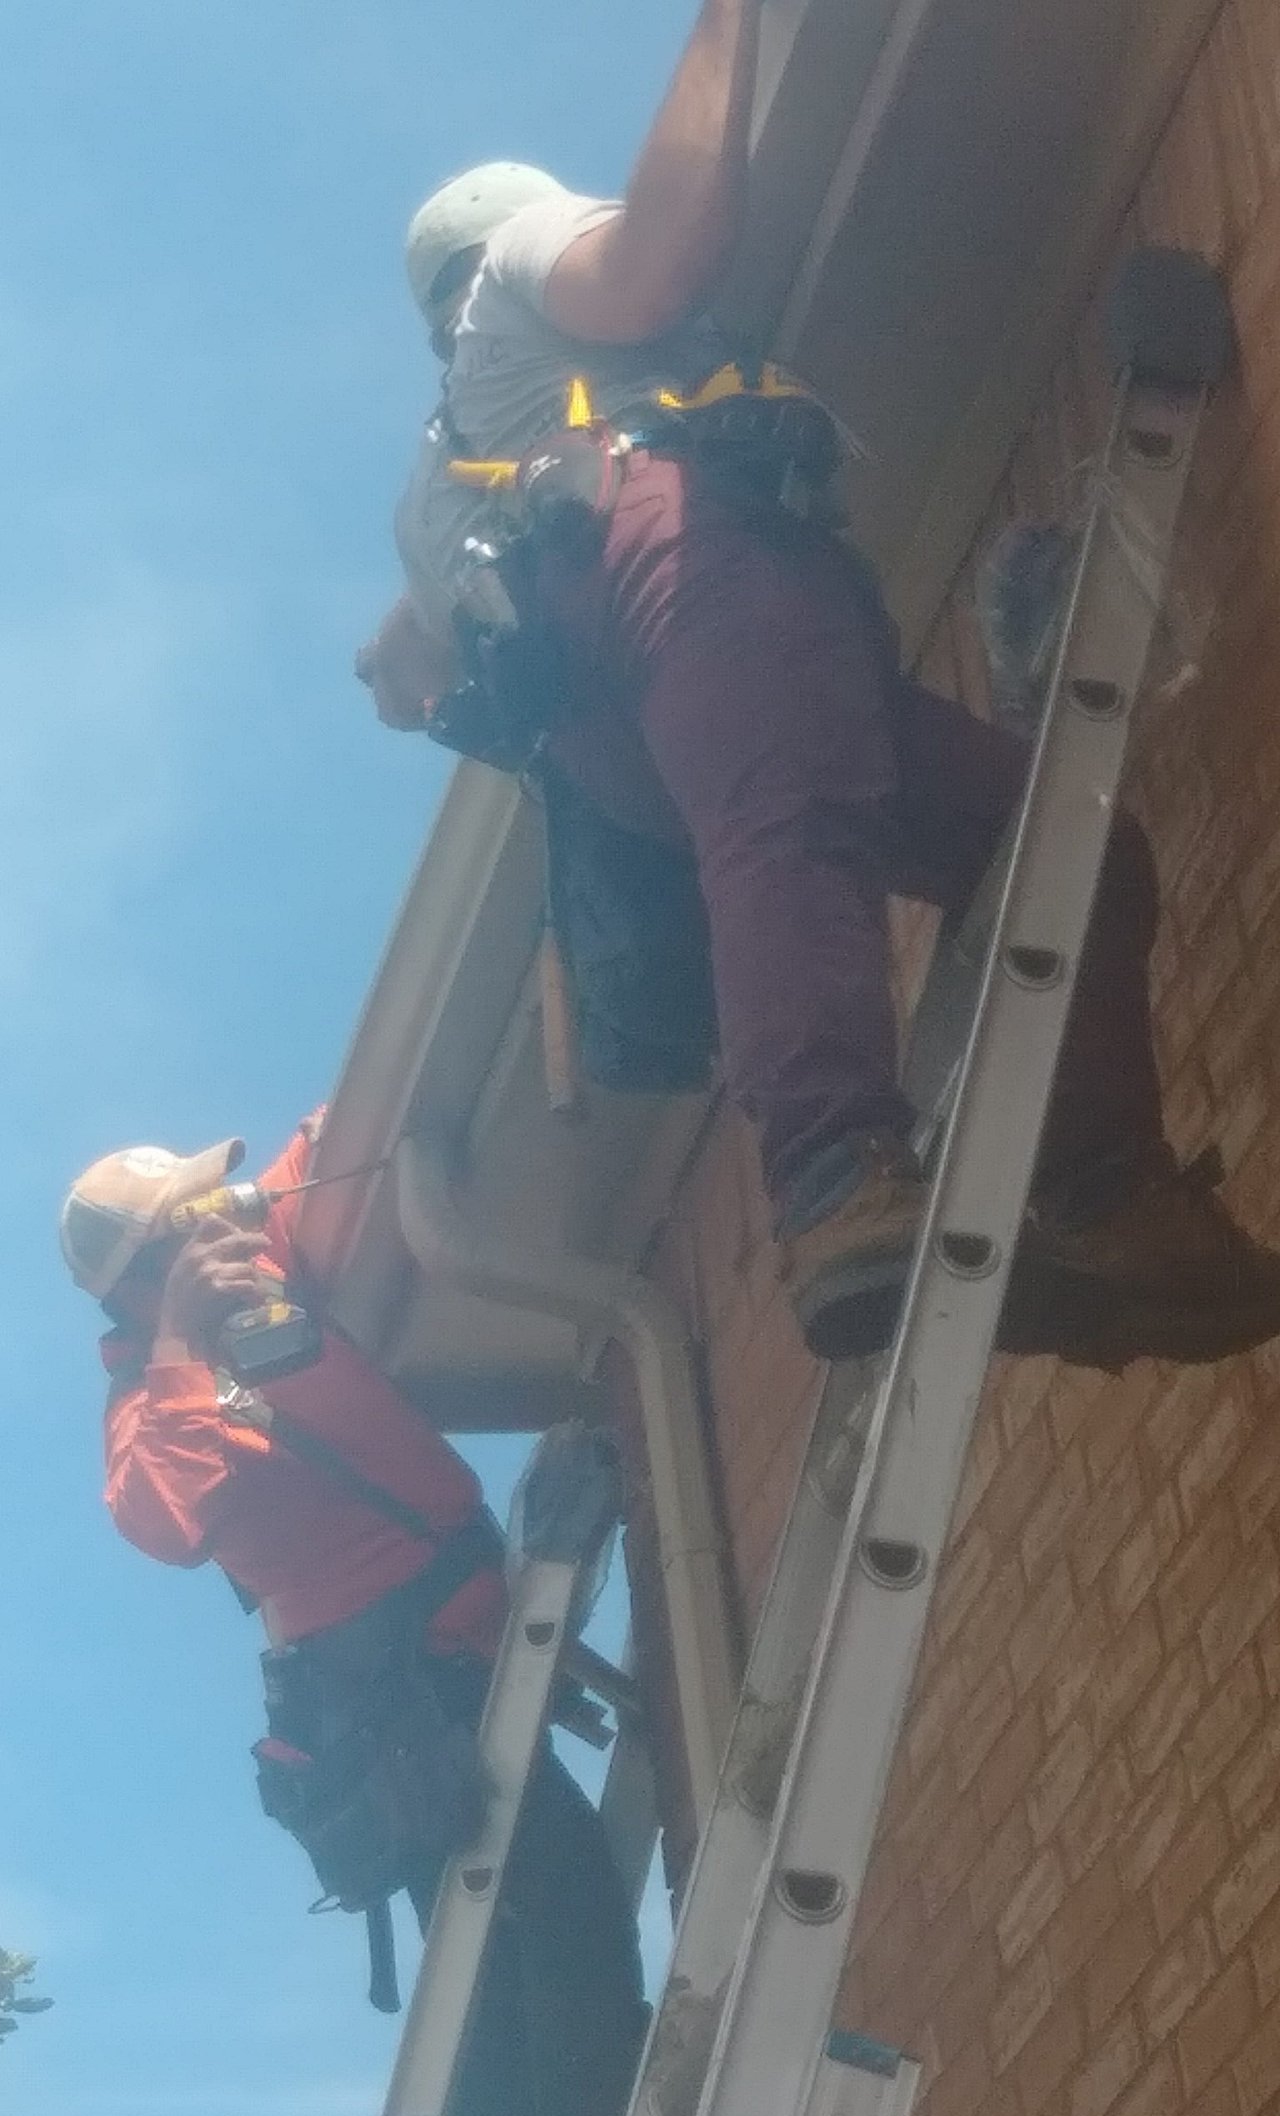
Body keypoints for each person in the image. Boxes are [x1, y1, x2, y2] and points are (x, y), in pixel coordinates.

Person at [359, 0, 1280, 1370]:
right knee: (785, 832)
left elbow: (403, 672)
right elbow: (656, 264)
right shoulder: (518, 265)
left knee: (1055, 843)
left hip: (625, 738)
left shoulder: (443, 476)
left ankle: (1109, 1200)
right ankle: (837, 1173)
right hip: (692, 581)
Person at [59, 1112, 646, 2116]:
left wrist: (359, 1116)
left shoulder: (260, 1276)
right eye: (192, 1217)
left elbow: (350, 1132)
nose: (225, 1219)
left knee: (515, 1965)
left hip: (457, 1668)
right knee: (558, 1923)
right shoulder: (152, 1398)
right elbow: (166, 1523)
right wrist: (181, 1343)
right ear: (146, 1275)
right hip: (399, 1712)